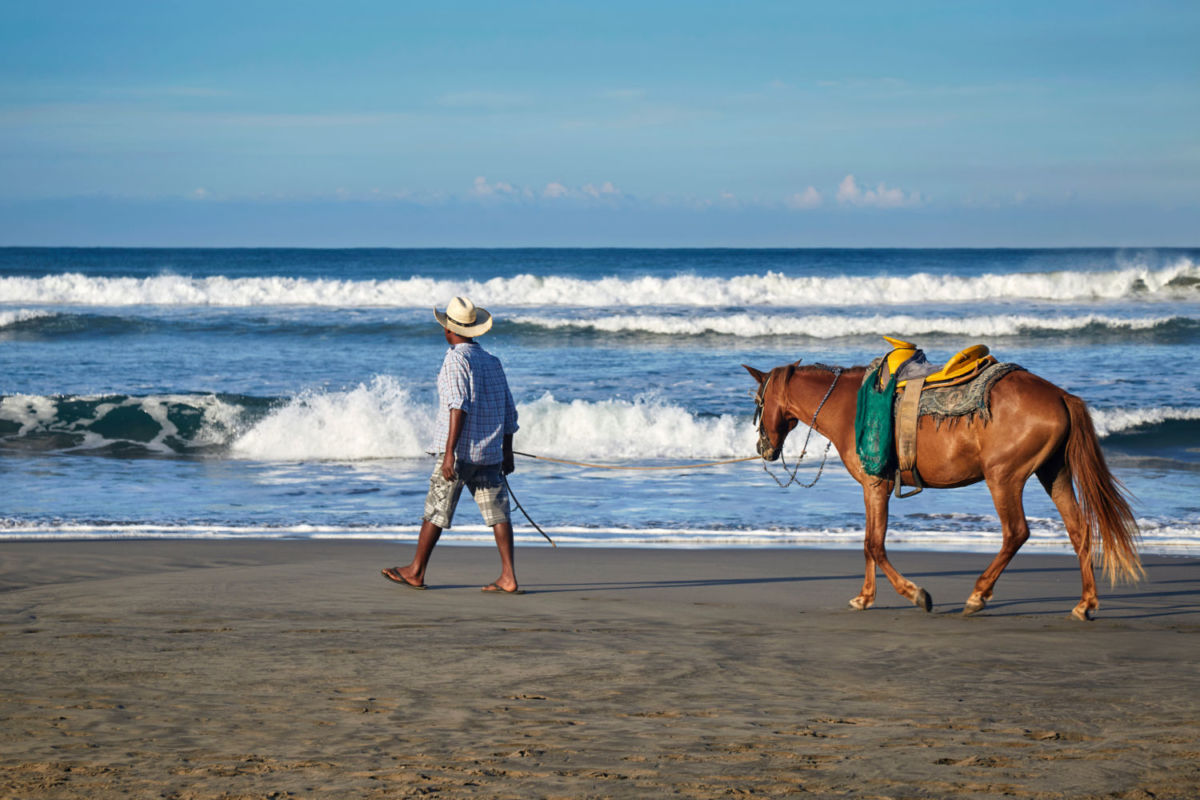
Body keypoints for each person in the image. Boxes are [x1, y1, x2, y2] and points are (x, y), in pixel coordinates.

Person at [381, 296, 523, 593]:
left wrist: (448, 455)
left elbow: (458, 407)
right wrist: (506, 453)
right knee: (499, 514)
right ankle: (508, 576)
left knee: (436, 510)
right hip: (489, 453)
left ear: (448, 330)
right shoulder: (493, 362)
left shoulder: (455, 359)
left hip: (460, 455)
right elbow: (509, 410)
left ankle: (416, 571)